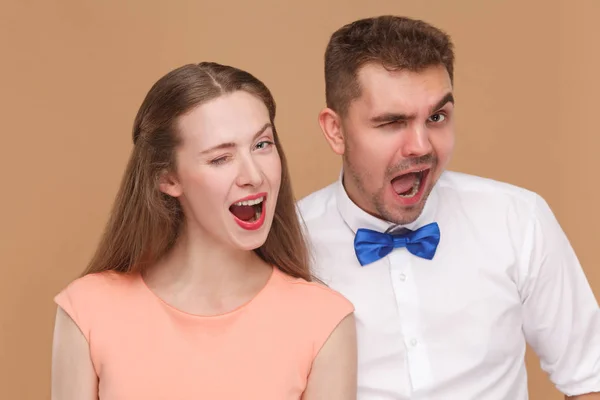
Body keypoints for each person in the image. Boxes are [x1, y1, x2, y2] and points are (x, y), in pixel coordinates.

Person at [297, 15, 600, 400]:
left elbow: (590, 377)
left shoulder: (518, 219)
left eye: (437, 117)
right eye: (393, 122)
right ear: (335, 130)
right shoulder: (288, 245)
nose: (421, 146)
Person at [51, 62, 357, 400]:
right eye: (220, 158)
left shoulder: (323, 320)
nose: (253, 175)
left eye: (262, 145)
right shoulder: (88, 310)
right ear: (167, 178)